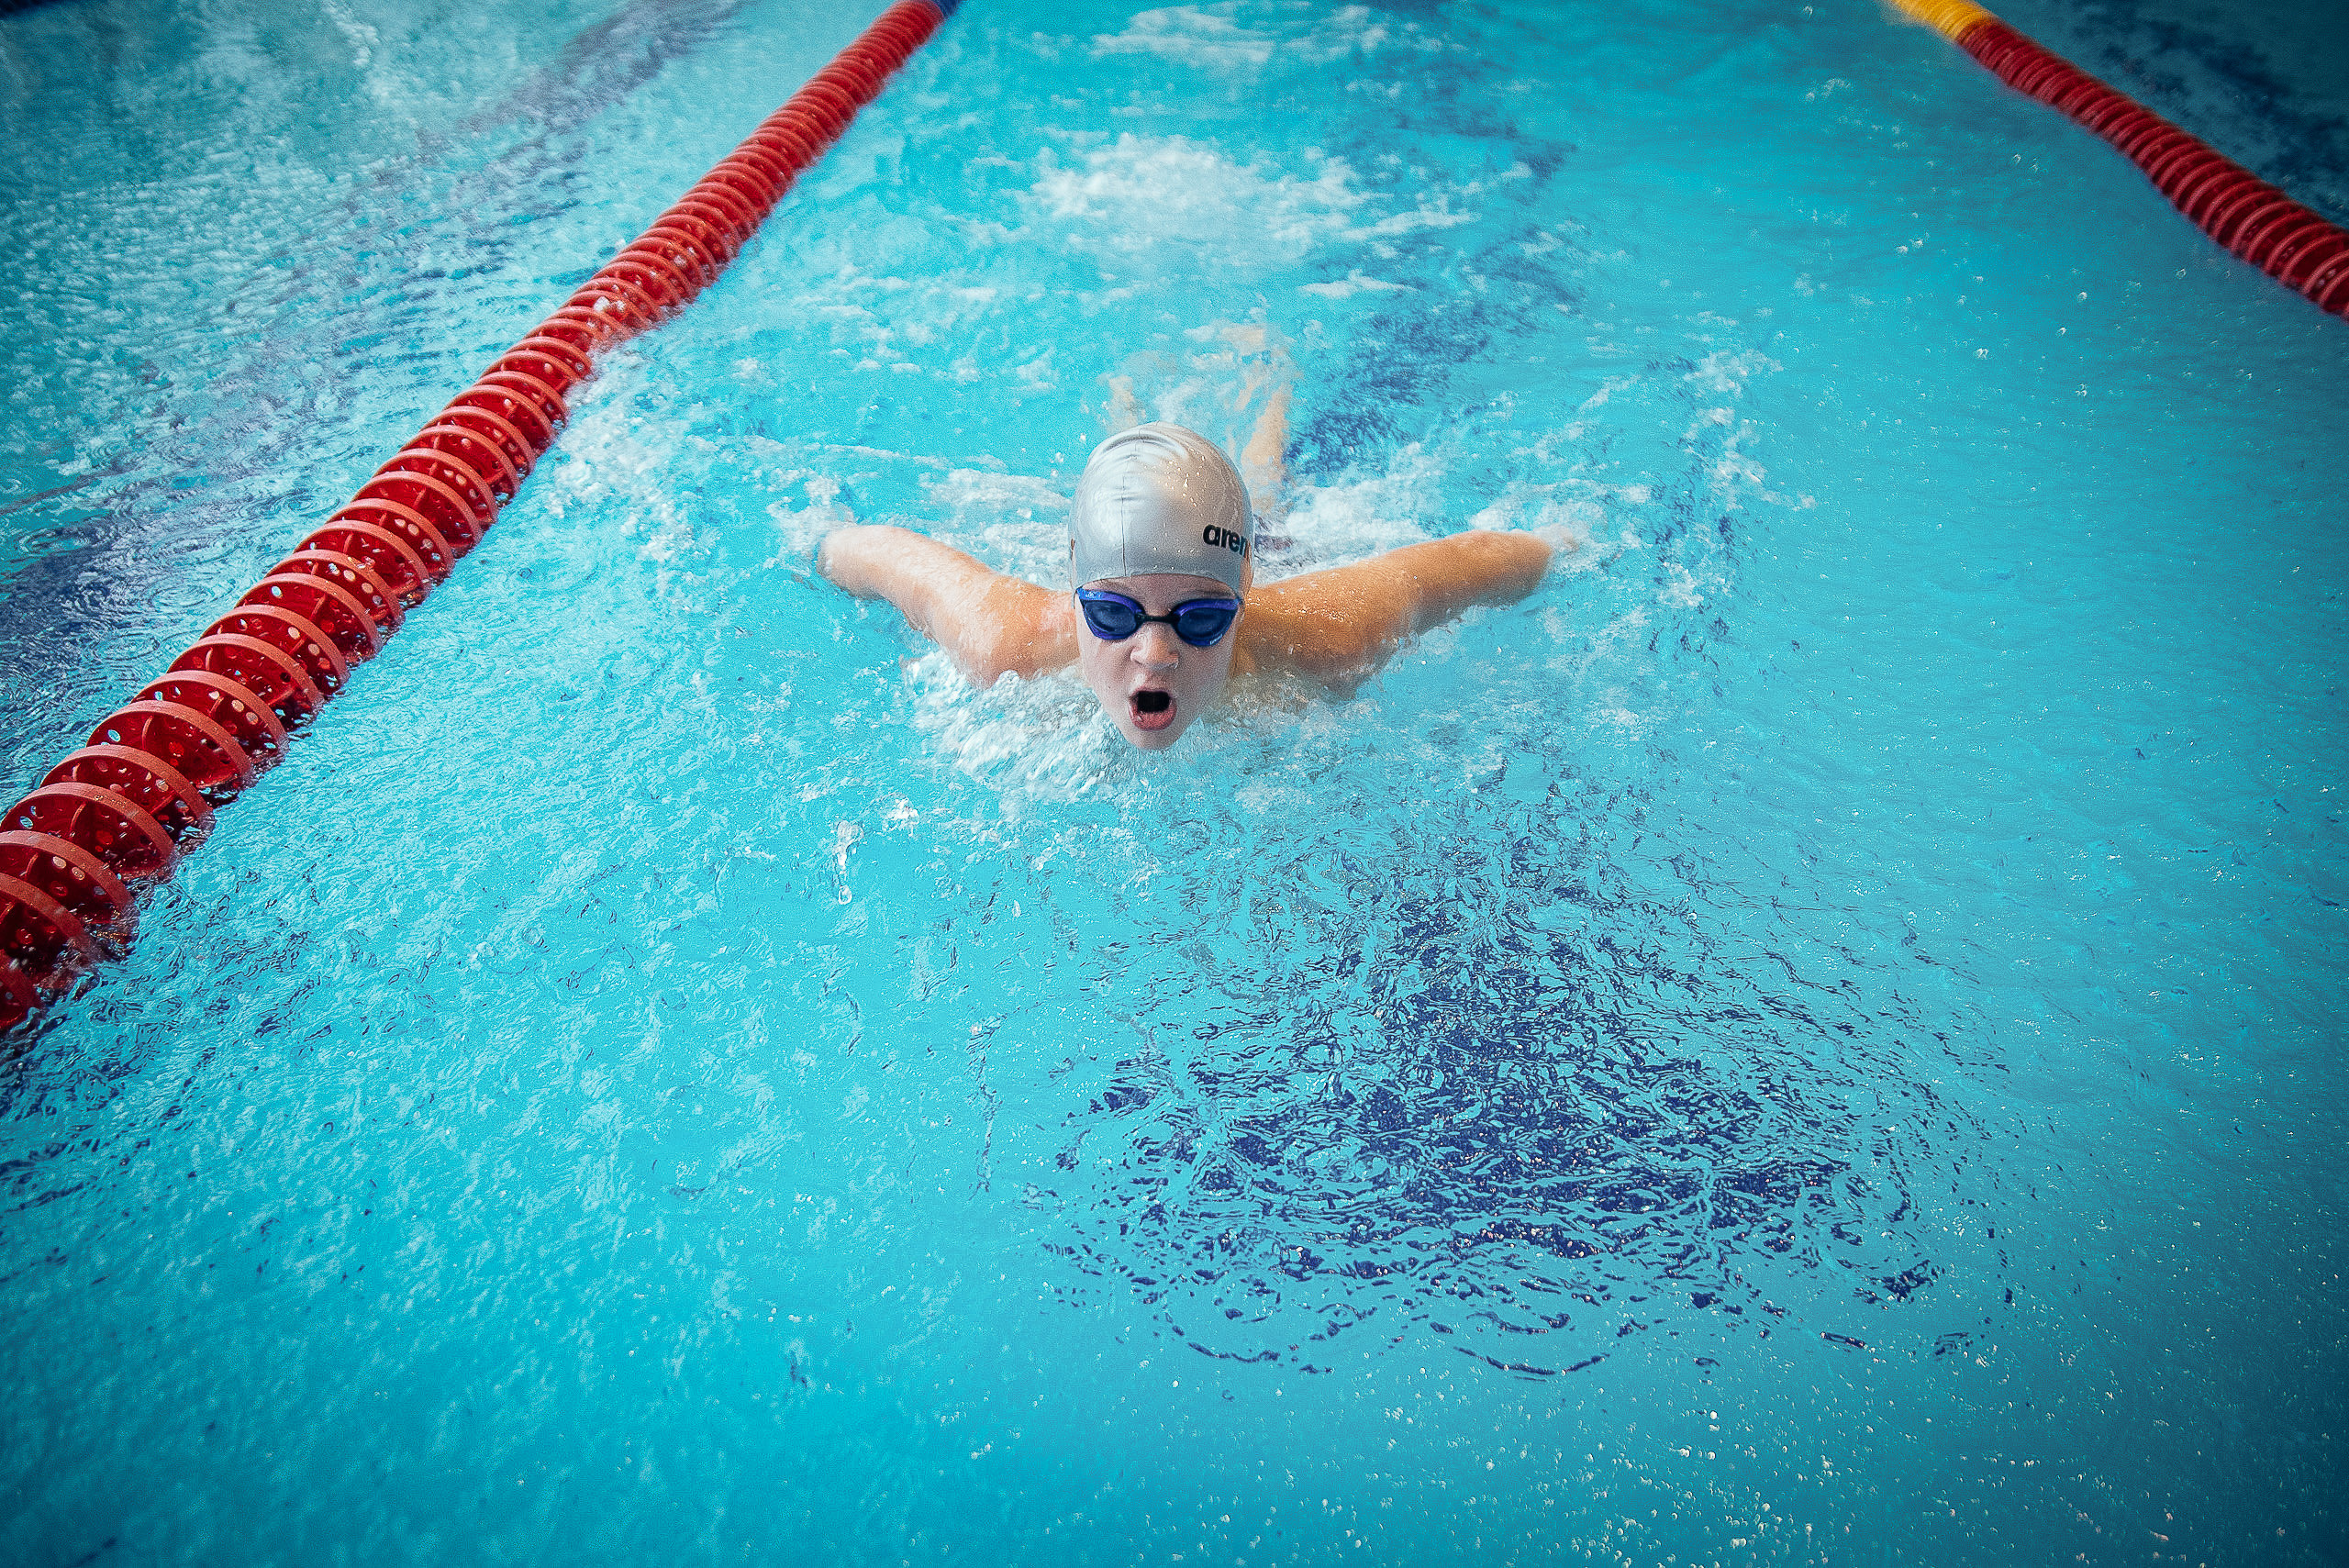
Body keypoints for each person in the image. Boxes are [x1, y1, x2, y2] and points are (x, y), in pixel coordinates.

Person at [818, 414, 1561, 751]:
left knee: (1265, 478)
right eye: (1111, 614)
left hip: (1255, 537)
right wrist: (815, 543)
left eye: (1201, 618)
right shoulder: (1003, 640)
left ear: (1244, 592)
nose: (1155, 652)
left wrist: (1571, 544)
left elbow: (1472, 559)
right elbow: (880, 553)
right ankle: (1127, 408)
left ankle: (1272, 392)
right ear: (1075, 587)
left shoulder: (1330, 635)